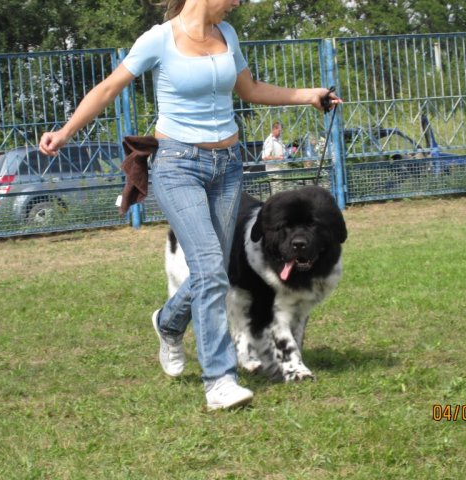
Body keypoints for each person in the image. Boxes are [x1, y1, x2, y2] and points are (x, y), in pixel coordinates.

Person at [39, 0, 341, 411]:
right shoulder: (159, 40)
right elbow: (110, 87)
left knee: (209, 273)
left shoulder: (227, 35)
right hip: (178, 166)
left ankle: (167, 322)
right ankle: (219, 381)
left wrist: (309, 96)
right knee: (212, 271)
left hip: (227, 167)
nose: (236, 3)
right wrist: (66, 131)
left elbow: (249, 90)